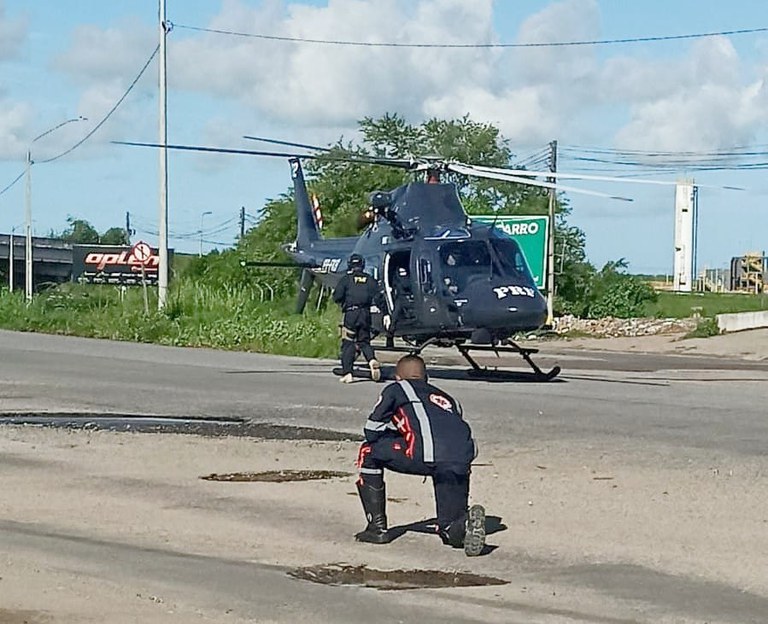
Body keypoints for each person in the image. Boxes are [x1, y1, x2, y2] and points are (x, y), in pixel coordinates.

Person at [353, 354, 486, 556]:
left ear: (398, 377)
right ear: (427, 377)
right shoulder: (449, 399)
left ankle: (377, 528)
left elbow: (371, 430)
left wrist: (396, 434)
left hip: (425, 454)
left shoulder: (397, 389)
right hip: (461, 459)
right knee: (448, 527)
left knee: (368, 451)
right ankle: (464, 524)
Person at [333, 253, 385, 384]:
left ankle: (347, 373)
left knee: (348, 342)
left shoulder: (346, 279)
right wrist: (386, 313)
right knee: (364, 341)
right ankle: (371, 359)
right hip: (365, 314)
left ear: (350, 265)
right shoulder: (370, 280)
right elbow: (379, 298)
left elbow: (337, 297)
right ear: (363, 265)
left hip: (351, 314)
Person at [384, 266, 412, 347]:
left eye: (404, 272)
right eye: (400, 272)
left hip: (409, 298)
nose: (402, 274)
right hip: (400, 299)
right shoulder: (396, 279)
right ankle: (390, 337)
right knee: (394, 317)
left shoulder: (408, 279)